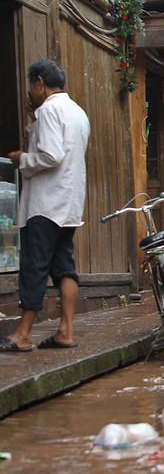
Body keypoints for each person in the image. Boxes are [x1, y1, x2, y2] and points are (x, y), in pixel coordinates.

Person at [1, 59, 89, 352]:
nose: (30, 91)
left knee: (34, 268)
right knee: (64, 267)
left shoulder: (49, 110)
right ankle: (66, 330)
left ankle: (23, 333)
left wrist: (21, 159)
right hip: (68, 204)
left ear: (40, 82)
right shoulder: (77, 112)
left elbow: (50, 155)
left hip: (45, 205)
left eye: (31, 85)